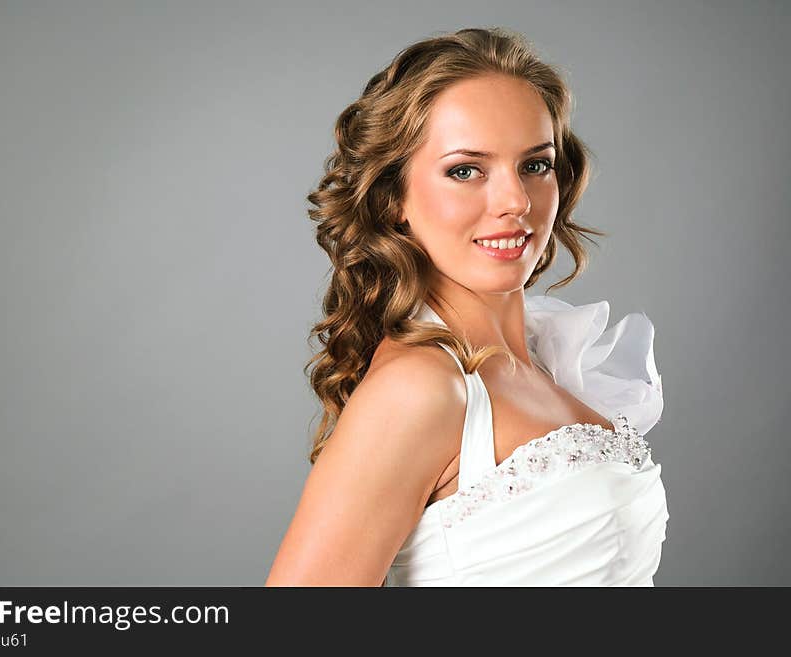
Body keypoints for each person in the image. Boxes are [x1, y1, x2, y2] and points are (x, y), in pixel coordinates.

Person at [266, 27, 668, 586]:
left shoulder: (551, 359)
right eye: (465, 170)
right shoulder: (421, 388)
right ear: (394, 197)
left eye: (536, 164)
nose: (516, 202)